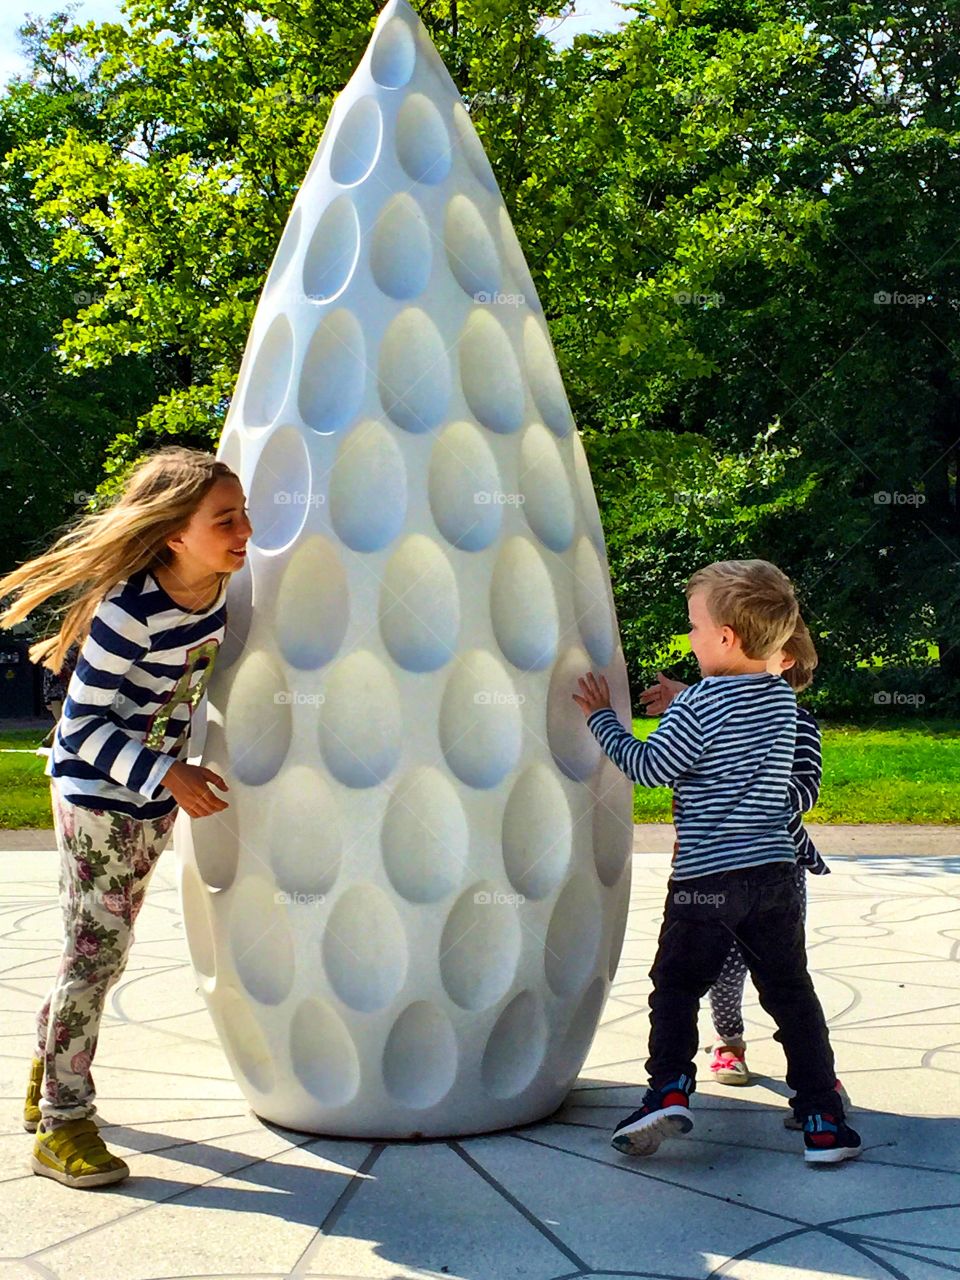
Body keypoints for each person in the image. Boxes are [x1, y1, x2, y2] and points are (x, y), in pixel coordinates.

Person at [0, 447, 251, 1189]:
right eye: (225, 520)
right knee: (94, 954)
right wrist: (168, 772)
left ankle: (51, 1068)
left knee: (98, 949)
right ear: (174, 532)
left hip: (148, 799)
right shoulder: (129, 613)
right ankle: (63, 1125)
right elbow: (79, 729)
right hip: (96, 797)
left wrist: (165, 783)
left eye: (245, 515)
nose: (245, 532)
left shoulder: (215, 591)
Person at [573, 559, 862, 1166]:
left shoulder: (697, 708)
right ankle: (822, 1116)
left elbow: (649, 768)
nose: (690, 637)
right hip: (775, 877)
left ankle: (669, 1090)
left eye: (694, 627)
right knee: (790, 991)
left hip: (707, 881)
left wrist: (601, 717)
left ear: (726, 637)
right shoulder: (784, 705)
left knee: (676, 987)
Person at [639, 621, 848, 1126]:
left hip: (768, 865)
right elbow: (727, 724)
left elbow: (803, 789)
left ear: (784, 662)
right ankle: (733, 1043)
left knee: (768, 979)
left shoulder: (795, 721)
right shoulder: (738, 706)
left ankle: (813, 1082)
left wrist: (745, 807)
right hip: (736, 869)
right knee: (729, 974)